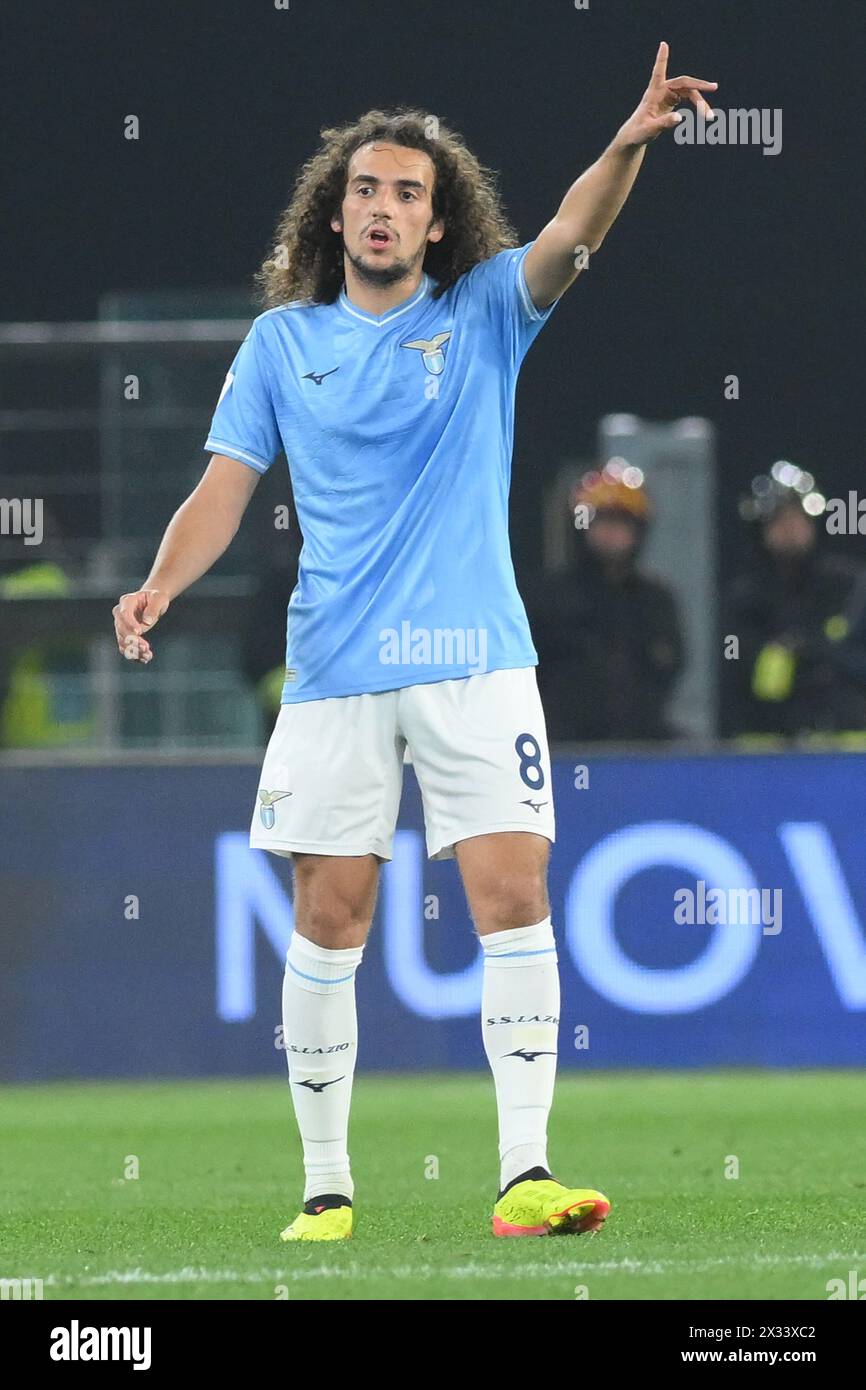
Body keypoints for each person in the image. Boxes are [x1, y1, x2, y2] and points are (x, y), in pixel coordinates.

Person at [112, 45, 717, 1241]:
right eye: (365, 190)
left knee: (513, 891)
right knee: (328, 917)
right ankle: (326, 1188)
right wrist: (158, 584)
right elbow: (223, 490)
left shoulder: (485, 311)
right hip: (333, 670)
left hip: (477, 661)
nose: (382, 208)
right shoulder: (282, 345)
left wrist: (629, 141)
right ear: (333, 214)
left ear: (437, 226)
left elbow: (567, 231)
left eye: (406, 194)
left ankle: (523, 1173)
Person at [530, 463, 684, 742]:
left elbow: (670, 669)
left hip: (641, 749)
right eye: (602, 521)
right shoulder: (547, 597)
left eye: (622, 522)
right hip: (563, 747)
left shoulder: (656, 601)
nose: (612, 532)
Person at [722, 463, 866, 739]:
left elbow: (854, 658)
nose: (790, 529)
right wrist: (804, 655)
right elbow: (736, 662)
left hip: (843, 737)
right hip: (768, 741)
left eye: (798, 519)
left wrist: (807, 652)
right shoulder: (744, 597)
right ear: (761, 529)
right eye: (779, 520)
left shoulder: (847, 585)